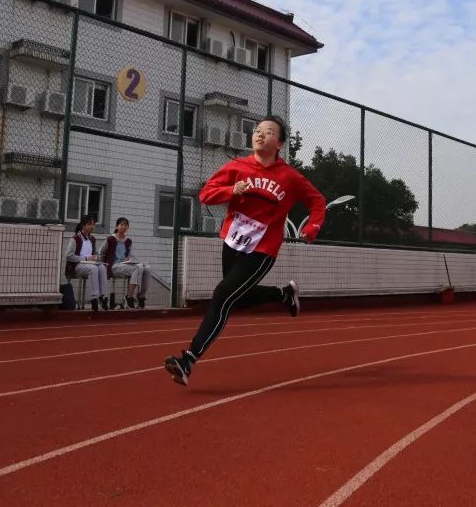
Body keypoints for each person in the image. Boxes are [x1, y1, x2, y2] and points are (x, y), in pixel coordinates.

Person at [164, 116, 327, 386]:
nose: (260, 135)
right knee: (235, 298)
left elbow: (318, 201)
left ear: (281, 144)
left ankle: (189, 359)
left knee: (223, 294)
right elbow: (206, 194)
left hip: (263, 249)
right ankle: (283, 294)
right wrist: (231, 190)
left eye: (269, 132)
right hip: (233, 242)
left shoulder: (290, 177)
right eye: (257, 131)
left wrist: (312, 228)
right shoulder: (237, 167)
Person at [102, 218, 151, 309]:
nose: (124, 227)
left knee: (147, 268)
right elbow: (101, 253)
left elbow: (129, 255)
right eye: (121, 225)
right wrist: (104, 267)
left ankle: (141, 296)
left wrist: (129, 259)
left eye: (126, 225)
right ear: (117, 226)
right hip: (114, 266)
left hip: (125, 265)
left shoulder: (128, 241)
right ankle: (129, 296)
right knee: (138, 268)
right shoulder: (110, 239)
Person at [65, 214, 109, 312]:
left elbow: (95, 253)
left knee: (101, 267)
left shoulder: (92, 239)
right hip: (78, 266)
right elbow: (68, 255)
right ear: (83, 225)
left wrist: (96, 257)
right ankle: (94, 298)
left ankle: (104, 296)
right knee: (93, 268)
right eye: (90, 224)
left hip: (89, 264)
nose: (92, 227)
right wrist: (86, 258)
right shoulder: (75, 239)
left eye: (93, 224)